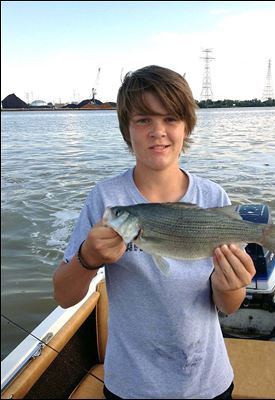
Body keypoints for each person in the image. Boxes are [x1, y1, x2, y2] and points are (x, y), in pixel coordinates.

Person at [53, 65, 256, 399]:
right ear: (126, 130)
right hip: (130, 386)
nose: (157, 131)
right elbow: (64, 297)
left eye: (171, 119)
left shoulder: (213, 198)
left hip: (207, 381)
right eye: (143, 119)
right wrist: (87, 258)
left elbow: (228, 305)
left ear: (187, 126)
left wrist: (229, 285)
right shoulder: (105, 199)